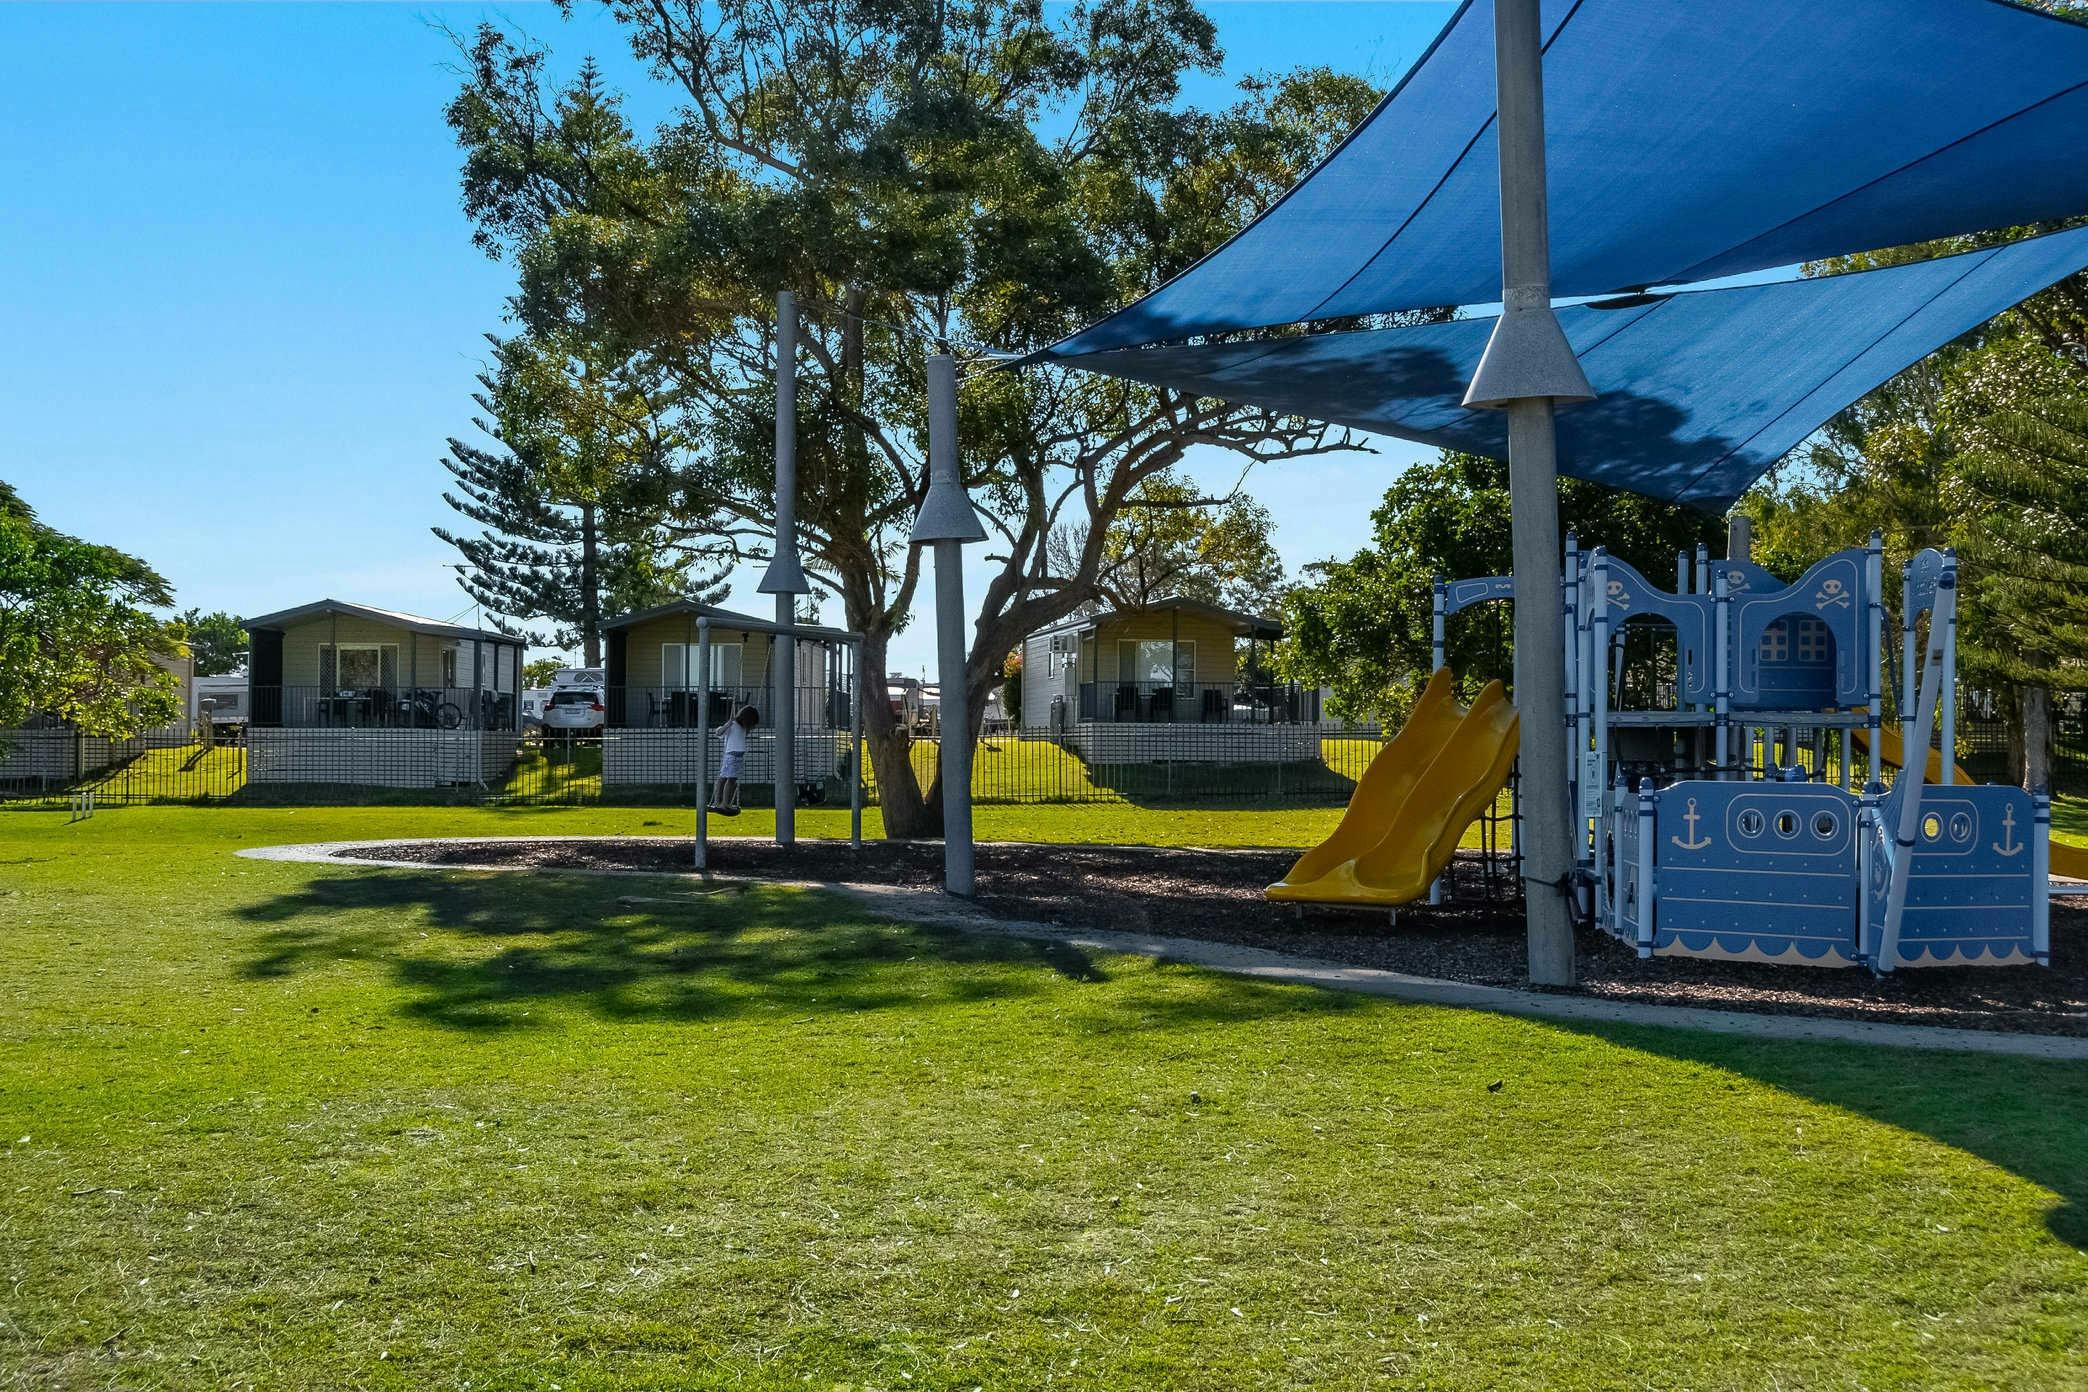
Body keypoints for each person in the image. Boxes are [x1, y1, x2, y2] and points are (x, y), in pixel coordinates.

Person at [709, 705, 759, 815]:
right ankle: (724, 804)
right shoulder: (733, 724)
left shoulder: (743, 727)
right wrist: (728, 724)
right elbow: (718, 733)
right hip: (733, 757)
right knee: (730, 780)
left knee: (725, 779)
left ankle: (719, 803)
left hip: (736, 757)